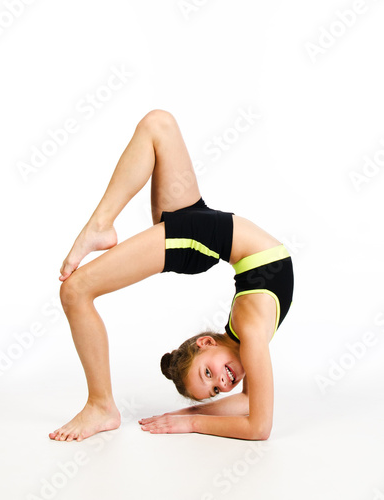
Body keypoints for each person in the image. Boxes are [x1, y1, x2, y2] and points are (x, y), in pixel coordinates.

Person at [48, 109, 294, 442]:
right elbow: (252, 413)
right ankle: (100, 226)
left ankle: (102, 405)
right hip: (204, 234)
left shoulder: (247, 336)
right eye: (214, 384)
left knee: (75, 292)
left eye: (208, 379)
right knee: (158, 124)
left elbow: (256, 423)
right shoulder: (249, 337)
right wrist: (187, 416)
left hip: (202, 239)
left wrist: (190, 420)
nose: (222, 383)